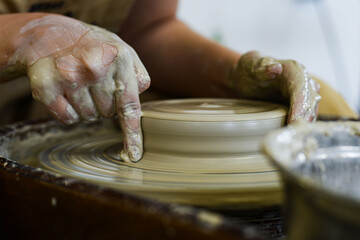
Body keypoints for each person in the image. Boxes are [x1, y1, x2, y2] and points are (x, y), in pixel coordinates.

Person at [0, 0, 356, 163]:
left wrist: (231, 76)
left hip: (71, 100)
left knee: (328, 111)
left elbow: (147, 31)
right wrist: (30, 36)